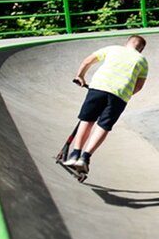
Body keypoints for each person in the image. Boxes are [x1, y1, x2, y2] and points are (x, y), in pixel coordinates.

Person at [60, 35, 150, 180]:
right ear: (141, 49)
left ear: (126, 43)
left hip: (98, 88)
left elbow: (87, 60)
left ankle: (75, 154)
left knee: (87, 120)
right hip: (120, 94)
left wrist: (80, 76)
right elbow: (139, 86)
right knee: (104, 125)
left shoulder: (112, 49)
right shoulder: (142, 61)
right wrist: (124, 94)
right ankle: (85, 157)